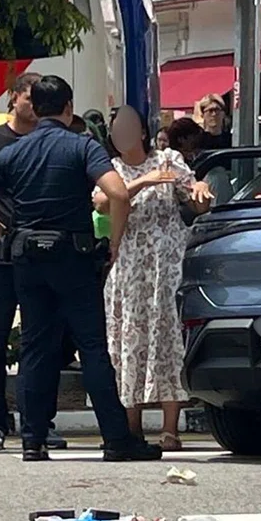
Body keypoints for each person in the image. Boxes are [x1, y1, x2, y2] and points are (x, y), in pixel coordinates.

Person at [0, 75, 162, 462]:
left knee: (35, 346)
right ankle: (117, 440)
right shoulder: (82, 145)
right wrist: (115, 242)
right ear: (69, 108)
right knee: (91, 347)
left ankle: (32, 440)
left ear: (34, 109)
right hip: (73, 256)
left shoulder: (11, 152)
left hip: (27, 259)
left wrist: (4, 235)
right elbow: (118, 193)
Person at [0, 72, 69, 452]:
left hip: (42, 259)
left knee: (41, 344)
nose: (35, 107)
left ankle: (40, 421)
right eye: (29, 98)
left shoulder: (52, 143)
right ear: (13, 98)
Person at [94, 106, 213, 450]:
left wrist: (201, 188)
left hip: (166, 263)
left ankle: (170, 429)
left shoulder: (169, 158)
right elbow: (103, 202)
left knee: (166, 339)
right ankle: (132, 428)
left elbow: (195, 200)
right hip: (128, 265)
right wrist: (142, 182)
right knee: (128, 340)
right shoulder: (110, 169)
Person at [169, 117, 234, 207]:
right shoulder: (175, 162)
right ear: (181, 140)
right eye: (193, 135)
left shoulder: (204, 155)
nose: (197, 138)